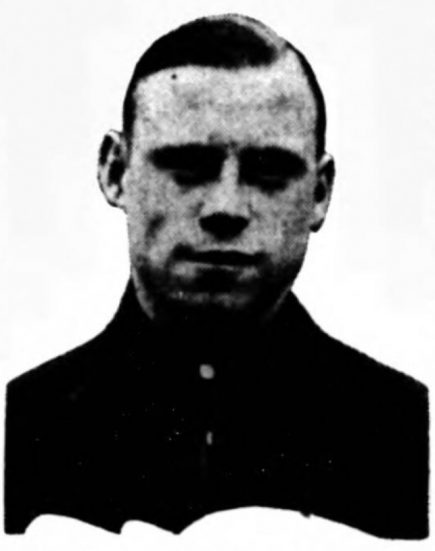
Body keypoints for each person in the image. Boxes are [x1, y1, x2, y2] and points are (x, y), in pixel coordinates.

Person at [5, 14, 428, 540]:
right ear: (116, 172)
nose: (226, 207)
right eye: (188, 168)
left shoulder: (406, 434)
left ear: (320, 193)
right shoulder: (22, 428)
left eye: (269, 173)